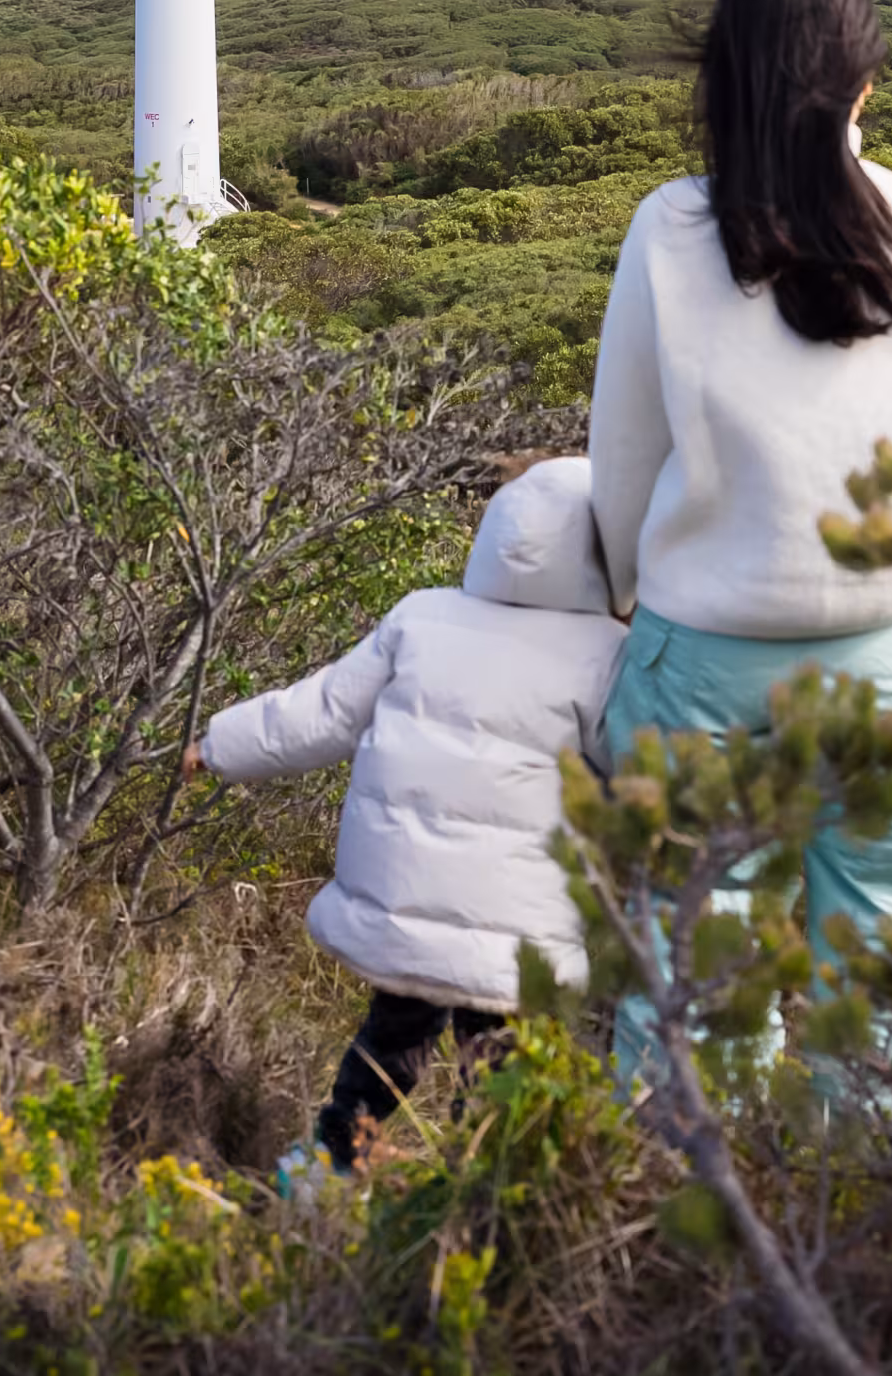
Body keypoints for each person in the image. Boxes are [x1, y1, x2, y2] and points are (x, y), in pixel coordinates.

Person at [587, 0, 892, 1081]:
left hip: (701, 660)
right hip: (889, 655)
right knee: (884, 991)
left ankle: (688, 1237)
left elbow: (624, 455)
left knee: (690, 983)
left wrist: (631, 593)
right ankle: (862, 1247)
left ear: (721, 80)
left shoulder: (667, 229)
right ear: (866, 79)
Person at [184, 457, 625, 1179]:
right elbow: (631, 763)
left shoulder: (422, 616)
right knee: (500, 1061)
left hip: (402, 901)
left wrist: (221, 744)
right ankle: (475, 1200)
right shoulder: (606, 653)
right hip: (520, 927)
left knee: (395, 1037)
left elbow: (320, 712)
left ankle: (323, 1170)